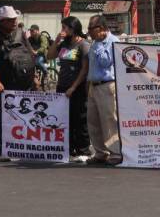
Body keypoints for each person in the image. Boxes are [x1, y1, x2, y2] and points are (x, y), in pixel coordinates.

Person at [0, 5, 34, 162]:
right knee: (3, 117)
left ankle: (23, 147)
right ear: (2, 21)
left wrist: (35, 78)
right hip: (4, 84)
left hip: (24, 81)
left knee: (25, 116)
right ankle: (1, 149)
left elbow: (31, 54)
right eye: (10, 20)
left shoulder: (20, 33)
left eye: (15, 19)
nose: (14, 22)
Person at [47, 16, 91, 162]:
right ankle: (69, 147)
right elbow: (49, 55)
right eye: (62, 27)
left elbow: (84, 69)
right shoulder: (64, 44)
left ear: (73, 29)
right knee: (65, 118)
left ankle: (83, 149)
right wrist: (56, 41)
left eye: (65, 28)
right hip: (62, 85)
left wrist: (73, 87)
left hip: (76, 87)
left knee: (79, 118)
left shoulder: (83, 44)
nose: (63, 30)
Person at [85, 15, 121, 165]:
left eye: (91, 29)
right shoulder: (95, 42)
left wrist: (99, 44)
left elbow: (106, 62)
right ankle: (100, 152)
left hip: (107, 85)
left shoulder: (113, 42)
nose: (89, 32)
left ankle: (115, 153)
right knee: (93, 121)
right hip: (94, 85)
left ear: (101, 29)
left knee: (109, 121)